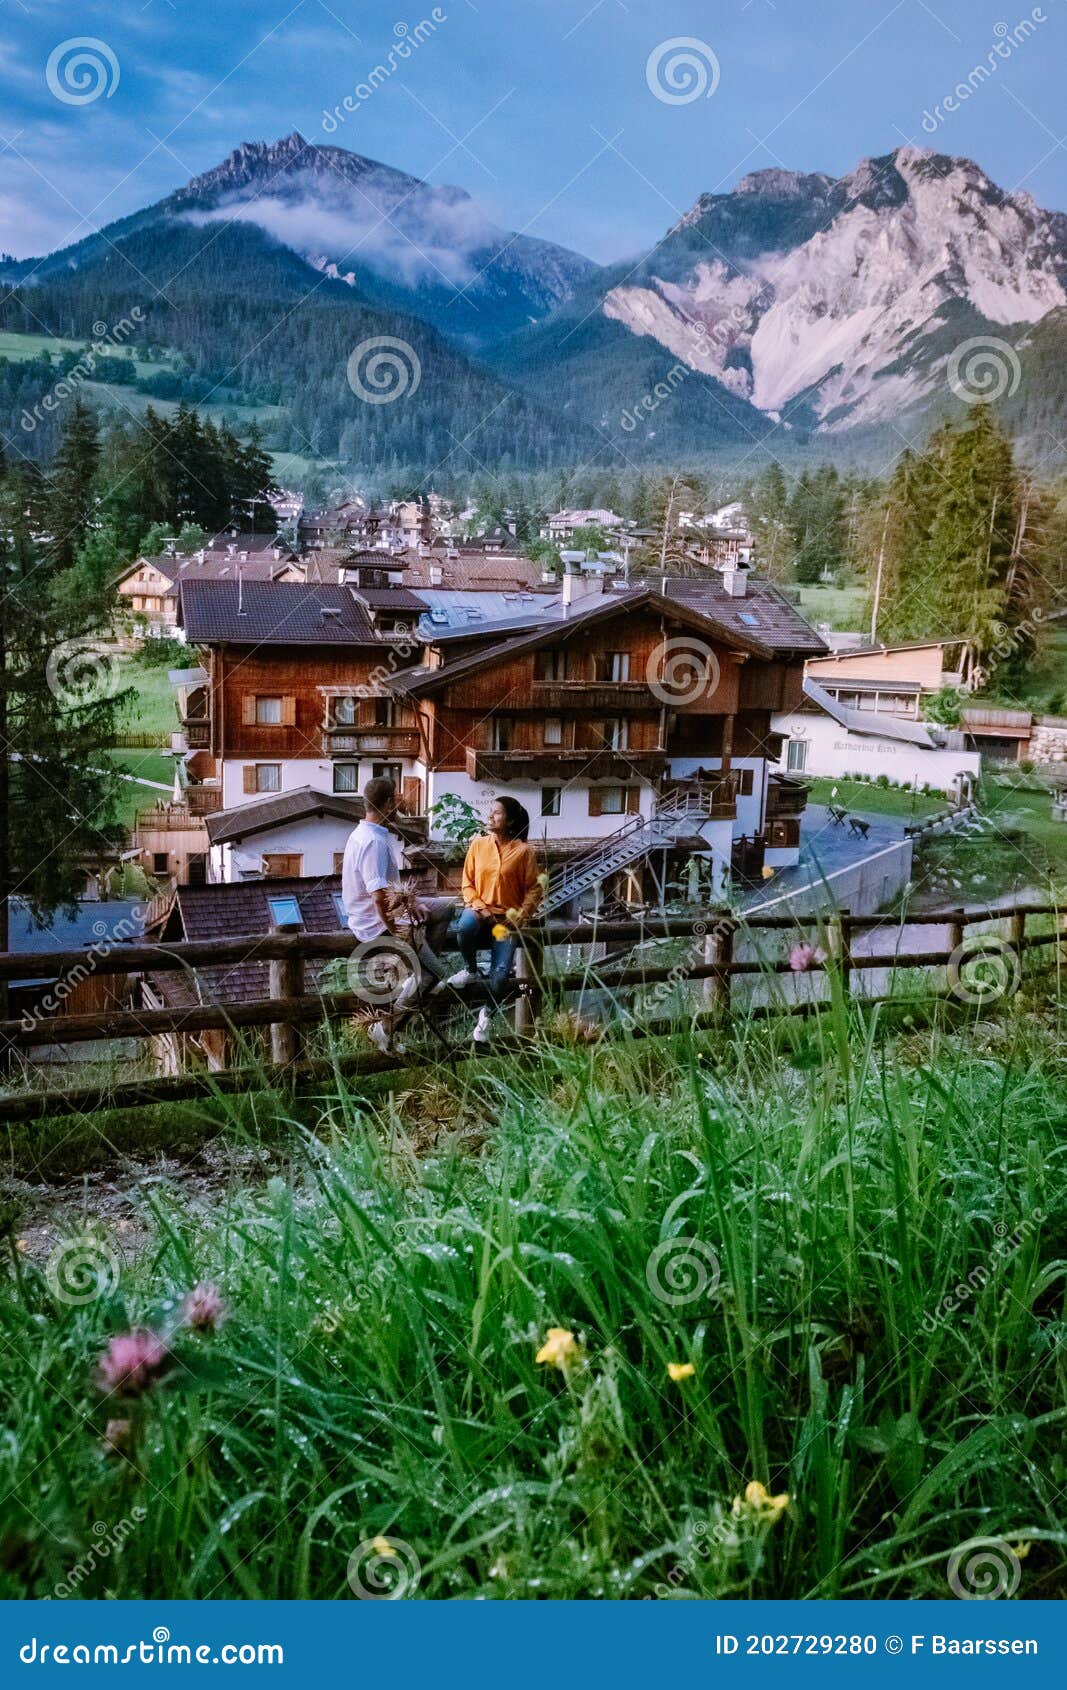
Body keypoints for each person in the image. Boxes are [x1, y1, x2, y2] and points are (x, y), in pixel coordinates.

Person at [341, 776, 451, 1053]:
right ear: (389, 803)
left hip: (385, 913)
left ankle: (421, 967)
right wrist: (396, 932)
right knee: (434, 976)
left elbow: (387, 893)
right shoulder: (373, 843)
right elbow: (378, 897)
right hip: (376, 923)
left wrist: (411, 906)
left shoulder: (364, 833)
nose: (399, 802)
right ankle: (387, 1027)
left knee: (446, 908)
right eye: (396, 798)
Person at [443, 796, 542, 1048]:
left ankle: (486, 1015)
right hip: (478, 911)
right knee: (464, 926)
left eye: (496, 813)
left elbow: (533, 890)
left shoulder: (524, 851)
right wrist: (479, 907)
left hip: (505, 922)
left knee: (499, 976)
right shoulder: (478, 845)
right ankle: (470, 969)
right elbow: (467, 883)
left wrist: (520, 916)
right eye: (491, 812)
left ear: (509, 820)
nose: (490, 816)